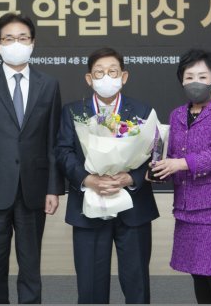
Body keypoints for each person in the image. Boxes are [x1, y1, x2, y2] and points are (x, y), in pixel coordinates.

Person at [0, 12, 64, 304]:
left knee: (31, 264)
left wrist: (53, 188)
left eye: (22, 38)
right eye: (9, 39)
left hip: (34, 188)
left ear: (32, 43)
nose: (16, 44)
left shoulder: (49, 84)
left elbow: (53, 141)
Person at [55, 47, 159, 304]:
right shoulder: (73, 111)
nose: (106, 77)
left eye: (112, 72)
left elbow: (154, 154)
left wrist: (131, 178)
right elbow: (63, 152)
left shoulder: (143, 111)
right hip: (89, 207)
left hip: (133, 209)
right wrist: (88, 179)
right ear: (89, 78)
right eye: (99, 73)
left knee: (137, 284)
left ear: (124, 76)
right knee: (90, 286)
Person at [151, 49, 211, 304]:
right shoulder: (177, 114)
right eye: (189, 77)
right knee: (197, 273)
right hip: (187, 206)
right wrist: (158, 169)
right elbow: (171, 155)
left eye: (202, 76)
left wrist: (179, 163)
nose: (195, 82)